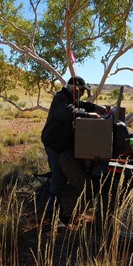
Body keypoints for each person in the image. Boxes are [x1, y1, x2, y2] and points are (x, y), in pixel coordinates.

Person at [41, 76, 108, 223]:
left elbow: (80, 104)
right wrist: (88, 114)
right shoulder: (60, 98)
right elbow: (67, 112)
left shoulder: (70, 99)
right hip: (55, 144)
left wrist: (96, 107)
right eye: (82, 90)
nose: (83, 93)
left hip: (64, 144)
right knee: (58, 178)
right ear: (75, 88)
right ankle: (52, 214)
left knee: (67, 174)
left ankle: (62, 208)